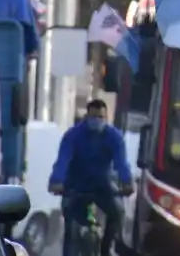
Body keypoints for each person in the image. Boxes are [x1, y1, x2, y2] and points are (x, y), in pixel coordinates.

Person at [48, 99, 134, 256]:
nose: (97, 121)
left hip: (103, 185)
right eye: (94, 117)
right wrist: (56, 182)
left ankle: (107, 247)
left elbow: (121, 163)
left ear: (106, 118)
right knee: (71, 229)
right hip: (76, 185)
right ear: (86, 117)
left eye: (101, 117)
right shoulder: (73, 135)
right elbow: (62, 160)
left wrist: (127, 182)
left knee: (118, 212)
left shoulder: (114, 137)